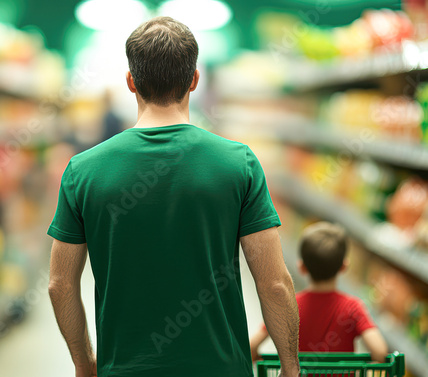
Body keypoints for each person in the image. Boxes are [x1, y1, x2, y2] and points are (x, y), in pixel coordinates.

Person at [47, 16, 300, 377]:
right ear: (194, 80)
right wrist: (291, 368)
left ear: (131, 82)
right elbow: (274, 284)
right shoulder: (238, 163)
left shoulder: (82, 171)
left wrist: (84, 363)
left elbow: (60, 284)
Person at [250, 222, 388, 362]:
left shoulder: (289, 306)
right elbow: (380, 352)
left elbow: (251, 347)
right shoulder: (353, 308)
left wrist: (258, 358)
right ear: (343, 267)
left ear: (302, 267)